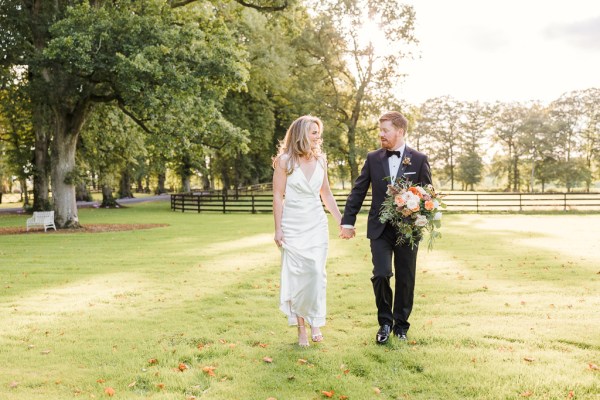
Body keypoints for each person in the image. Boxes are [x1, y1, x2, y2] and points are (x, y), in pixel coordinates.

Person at [340, 111, 432, 344]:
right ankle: (384, 322)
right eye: (380, 130)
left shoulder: (419, 159)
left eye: (385, 130)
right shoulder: (373, 158)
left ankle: (401, 326)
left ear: (399, 132)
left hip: (407, 230)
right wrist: (348, 221)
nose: (381, 135)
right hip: (379, 229)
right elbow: (359, 190)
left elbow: (428, 194)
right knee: (381, 274)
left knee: (405, 277)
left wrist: (420, 213)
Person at [272, 115, 342, 347]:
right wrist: (278, 229)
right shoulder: (285, 162)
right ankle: (302, 328)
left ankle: (315, 321)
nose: (318, 136)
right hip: (292, 225)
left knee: (315, 274)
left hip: (316, 224)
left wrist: (342, 220)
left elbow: (326, 194)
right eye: (313, 132)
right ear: (301, 134)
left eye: (318, 132)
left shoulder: (321, 161)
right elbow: (277, 196)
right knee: (298, 276)